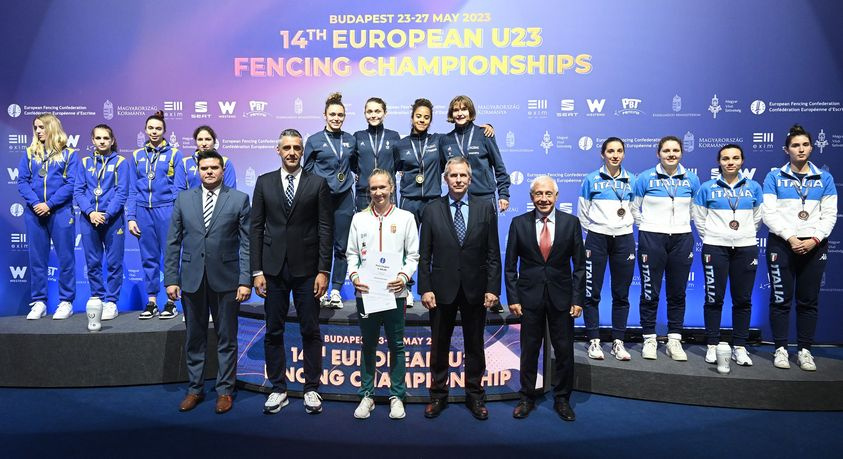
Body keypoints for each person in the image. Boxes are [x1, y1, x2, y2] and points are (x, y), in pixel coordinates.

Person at [164, 149, 251, 414]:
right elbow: (173, 242)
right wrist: (171, 279)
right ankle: (195, 389)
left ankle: (225, 391)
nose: (209, 172)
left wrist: (245, 280)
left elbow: (247, 244)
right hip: (191, 280)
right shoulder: (183, 199)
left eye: (214, 167)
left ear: (223, 170)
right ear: (198, 171)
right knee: (194, 337)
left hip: (227, 280)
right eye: (204, 168)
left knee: (227, 338)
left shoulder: (239, 199)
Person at [252, 128, 333, 414]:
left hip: (308, 270)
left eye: (297, 148)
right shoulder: (263, 182)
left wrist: (324, 270)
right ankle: (278, 388)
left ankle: (311, 388)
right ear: (278, 150)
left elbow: (326, 229)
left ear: (302, 151)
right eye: (286, 148)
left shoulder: (318, 183)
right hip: (272, 270)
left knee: (310, 330)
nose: (292, 152)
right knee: (273, 330)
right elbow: (255, 228)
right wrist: (256, 271)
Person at [419, 156, 501, 420]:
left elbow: (493, 252)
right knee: (439, 346)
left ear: (470, 178)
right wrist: (425, 288)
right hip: (441, 290)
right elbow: (424, 254)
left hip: (475, 289)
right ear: (446, 179)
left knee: (475, 346)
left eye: (462, 175)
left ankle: (475, 396)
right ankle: (437, 396)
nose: (458, 180)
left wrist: (493, 288)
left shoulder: (485, 207)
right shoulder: (432, 209)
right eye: (453, 175)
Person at [394, 98, 493, 308]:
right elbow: (393, 167)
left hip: (432, 199)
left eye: (426, 117)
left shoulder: (439, 140)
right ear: (412, 118)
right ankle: (405, 288)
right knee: (404, 246)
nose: (422, 120)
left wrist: (485, 127)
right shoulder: (401, 144)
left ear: (431, 120)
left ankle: (445, 289)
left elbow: (459, 140)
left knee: (438, 247)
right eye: (418, 116)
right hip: (409, 200)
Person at [505, 176, 585, 421]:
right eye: (539, 194)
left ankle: (562, 399)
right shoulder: (518, 223)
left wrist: (577, 299)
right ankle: (526, 397)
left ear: (556, 196)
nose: (543, 199)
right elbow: (510, 266)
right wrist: (513, 298)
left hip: (562, 298)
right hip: (529, 298)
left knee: (564, 350)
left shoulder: (571, 223)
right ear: (532, 197)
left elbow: (580, 266)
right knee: (529, 350)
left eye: (548, 194)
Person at [762, 124, 837, 371]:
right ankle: (781, 349)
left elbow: (830, 214)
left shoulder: (825, 178)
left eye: (805, 144)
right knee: (780, 299)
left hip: (814, 246)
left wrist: (814, 239)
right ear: (787, 150)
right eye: (795, 145)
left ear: (812, 148)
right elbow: (769, 213)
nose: (801, 149)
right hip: (782, 244)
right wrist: (791, 238)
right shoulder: (774, 177)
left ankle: (805, 351)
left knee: (808, 301)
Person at [346, 169, 419, 420]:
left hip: (395, 294)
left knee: (396, 345)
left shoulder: (406, 218)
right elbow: (352, 254)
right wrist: (354, 277)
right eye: (373, 188)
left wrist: (404, 276)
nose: (378, 193)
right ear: (368, 191)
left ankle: (397, 396)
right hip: (366, 294)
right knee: (368, 345)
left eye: (382, 187)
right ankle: (367, 395)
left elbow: (413, 255)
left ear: (391, 188)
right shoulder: (359, 219)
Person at [692, 144, 763, 367]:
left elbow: (758, 218)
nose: (730, 162)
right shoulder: (707, 188)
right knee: (714, 298)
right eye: (725, 158)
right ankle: (712, 344)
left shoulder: (754, 187)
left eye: (735, 158)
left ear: (742, 161)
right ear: (719, 162)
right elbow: (699, 219)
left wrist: (742, 235)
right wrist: (714, 237)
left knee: (743, 300)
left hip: (746, 247)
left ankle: (739, 347)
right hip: (715, 248)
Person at [632, 136, 700, 361]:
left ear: (681, 153)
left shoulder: (691, 179)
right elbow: (633, 208)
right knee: (649, 291)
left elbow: (696, 210)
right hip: (652, 238)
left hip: (682, 238)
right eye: (666, 150)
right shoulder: (645, 178)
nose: (671, 154)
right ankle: (649, 338)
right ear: (658, 153)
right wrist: (647, 226)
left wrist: (681, 225)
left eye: (676, 150)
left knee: (677, 292)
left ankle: (674, 340)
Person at [440, 95, 508, 313]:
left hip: (484, 198)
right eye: (456, 110)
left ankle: (493, 294)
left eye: (464, 109)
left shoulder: (484, 134)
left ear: (471, 112)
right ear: (451, 114)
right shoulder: (445, 140)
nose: (460, 113)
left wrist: (503, 194)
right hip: (458, 200)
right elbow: (439, 169)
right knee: (462, 248)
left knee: (488, 249)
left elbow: (499, 166)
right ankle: (462, 295)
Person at [578, 137, 636, 361]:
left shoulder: (632, 180)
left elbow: (636, 209)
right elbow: (583, 212)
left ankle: (618, 342)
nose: (615, 155)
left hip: (624, 239)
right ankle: (594, 340)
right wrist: (597, 229)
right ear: (603, 154)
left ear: (624, 154)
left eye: (619, 151)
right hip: (597, 239)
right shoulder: (591, 179)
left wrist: (622, 227)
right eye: (610, 151)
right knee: (591, 292)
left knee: (621, 294)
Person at [18, 114, 79, 319]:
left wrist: (49, 204)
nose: (38, 131)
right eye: (36, 127)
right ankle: (39, 302)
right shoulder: (29, 153)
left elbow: (71, 184)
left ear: (52, 128)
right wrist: (36, 204)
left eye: (42, 127)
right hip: (34, 212)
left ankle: (66, 302)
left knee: (66, 258)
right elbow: (22, 182)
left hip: (60, 211)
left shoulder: (69, 154)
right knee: (37, 259)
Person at [127, 111, 185, 320]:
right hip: (143, 211)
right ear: (145, 130)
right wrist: (131, 217)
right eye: (150, 128)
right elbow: (132, 189)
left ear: (164, 131)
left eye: (158, 128)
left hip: (166, 209)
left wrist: (177, 214)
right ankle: (151, 301)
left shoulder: (175, 154)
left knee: (171, 256)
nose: (154, 132)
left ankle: (171, 302)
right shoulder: (136, 155)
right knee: (148, 257)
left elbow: (178, 187)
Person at [304, 93, 357, 309]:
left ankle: (335, 290)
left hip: (344, 198)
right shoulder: (314, 140)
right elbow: (307, 171)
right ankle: (319, 288)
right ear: (324, 115)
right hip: (321, 199)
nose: (336, 118)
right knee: (319, 244)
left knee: (342, 246)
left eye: (340, 115)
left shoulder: (350, 139)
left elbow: (355, 165)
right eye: (332, 114)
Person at [74, 124, 129, 322]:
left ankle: (112, 302)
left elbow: (122, 192)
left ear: (112, 140)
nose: (102, 141)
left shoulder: (121, 162)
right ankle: (97, 298)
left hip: (112, 220)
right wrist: (90, 212)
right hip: (89, 219)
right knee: (93, 263)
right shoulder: (84, 162)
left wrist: (106, 214)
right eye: (98, 138)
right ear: (92, 141)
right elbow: (78, 191)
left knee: (114, 263)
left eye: (106, 138)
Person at [351, 97, 401, 212]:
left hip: (387, 193)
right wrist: (361, 174)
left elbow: (397, 163)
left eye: (377, 111)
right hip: (364, 193)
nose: (373, 115)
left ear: (385, 113)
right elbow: (352, 162)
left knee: (389, 223)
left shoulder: (393, 136)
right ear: (365, 114)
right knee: (364, 223)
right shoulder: (358, 136)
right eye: (369, 112)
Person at [175, 125, 237, 191]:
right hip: (190, 198)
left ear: (214, 142)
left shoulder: (225, 162)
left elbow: (230, 191)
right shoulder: (184, 163)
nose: (204, 143)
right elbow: (179, 192)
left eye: (208, 139)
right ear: (196, 142)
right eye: (200, 139)